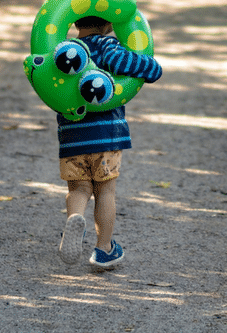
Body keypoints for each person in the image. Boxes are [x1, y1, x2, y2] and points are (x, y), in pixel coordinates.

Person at [57, 15, 162, 267]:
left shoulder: (64, 52)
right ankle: (104, 249)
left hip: (72, 137)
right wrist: (152, 63)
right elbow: (151, 71)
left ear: (74, 21)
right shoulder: (108, 46)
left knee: (79, 189)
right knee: (105, 191)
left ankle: (75, 219)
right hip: (106, 136)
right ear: (109, 24)